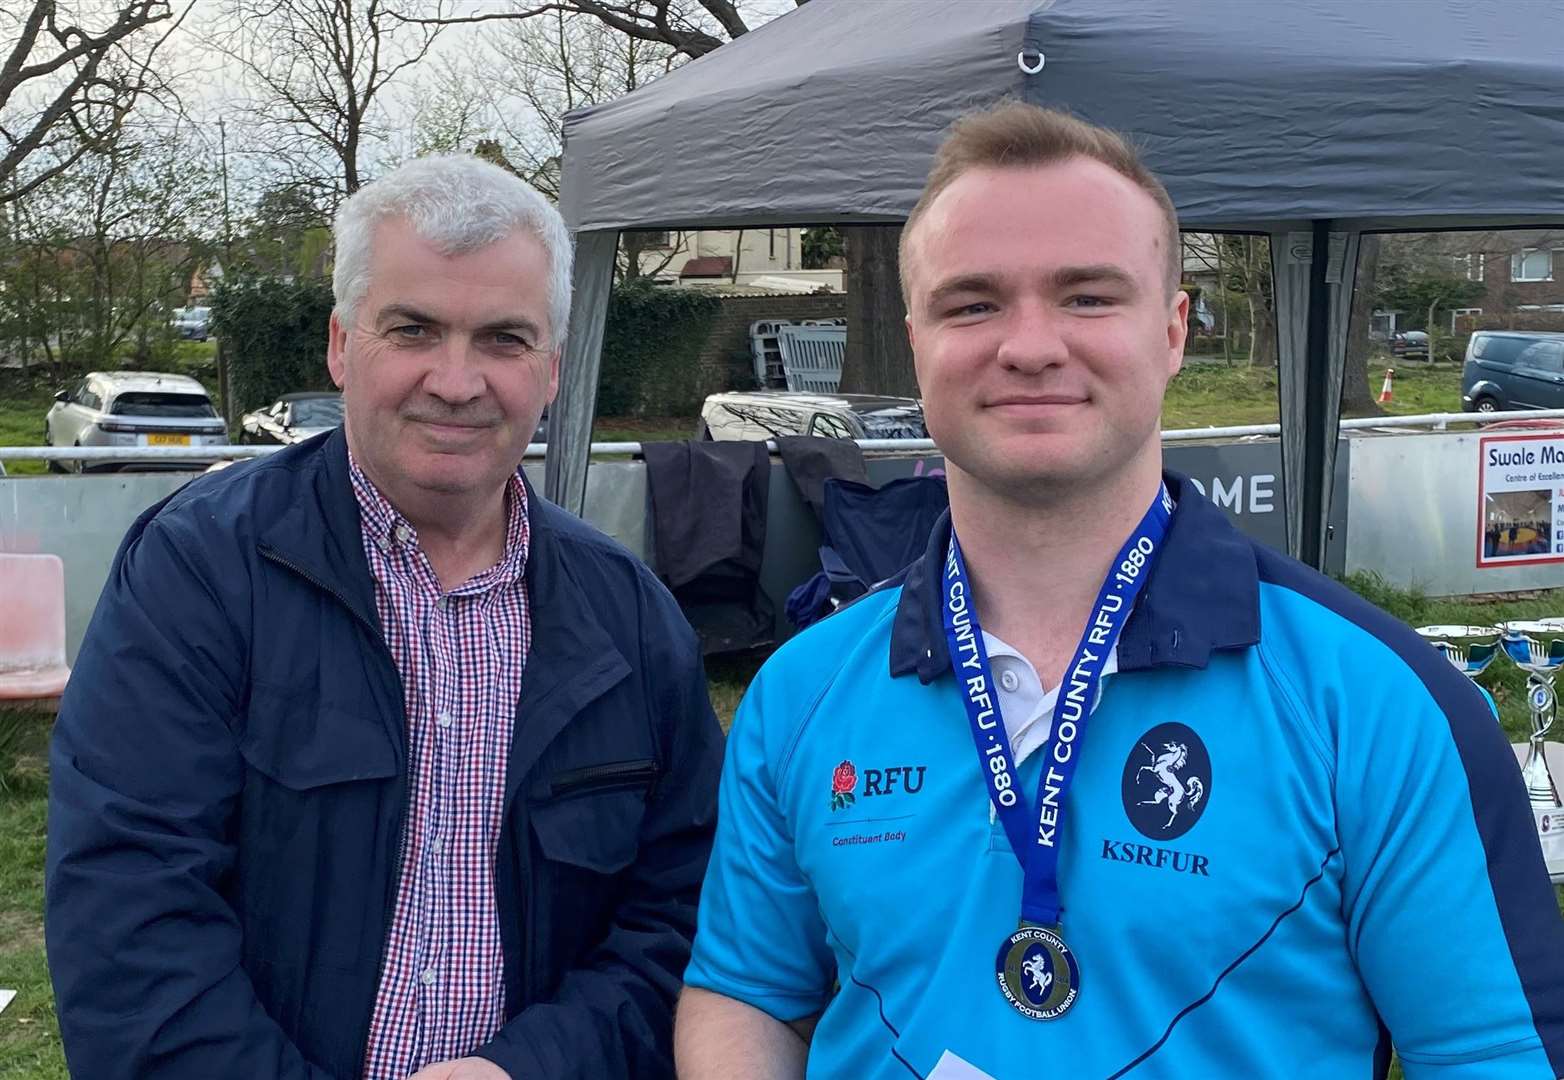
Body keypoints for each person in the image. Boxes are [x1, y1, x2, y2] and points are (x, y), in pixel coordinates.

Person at [675, 103, 1564, 1078]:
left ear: (1173, 329)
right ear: (916, 338)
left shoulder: (1376, 699)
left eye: (1088, 296)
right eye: (971, 303)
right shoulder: (801, 695)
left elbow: (1487, 1053)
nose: (1030, 345)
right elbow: (747, 994)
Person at [46, 154, 723, 1080]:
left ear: (553, 370)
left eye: (503, 339)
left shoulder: (632, 620)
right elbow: (128, 920)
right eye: (413, 329)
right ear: (339, 343)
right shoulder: (200, 572)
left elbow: (680, 917)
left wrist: (525, 1069)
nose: (456, 379)